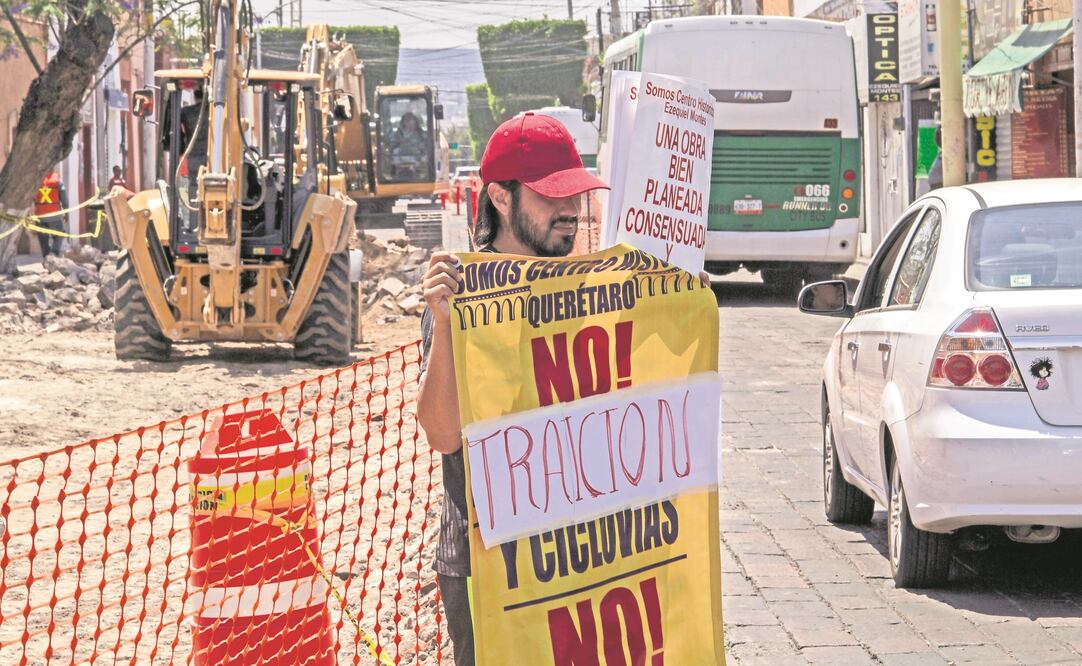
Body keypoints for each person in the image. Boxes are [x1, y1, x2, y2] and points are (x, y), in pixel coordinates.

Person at [415, 113, 609, 666]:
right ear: (500, 198)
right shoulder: (458, 289)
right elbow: (444, 433)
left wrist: (675, 300)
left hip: (580, 557)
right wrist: (445, 323)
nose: (572, 212)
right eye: (552, 198)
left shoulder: (592, 286)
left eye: (576, 196)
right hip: (486, 564)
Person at [33, 170, 67, 257]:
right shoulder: (57, 180)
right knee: (59, 234)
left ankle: (46, 257)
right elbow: (64, 197)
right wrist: (66, 211)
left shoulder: (36, 179)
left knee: (43, 239)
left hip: (40, 216)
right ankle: (54, 254)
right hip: (54, 215)